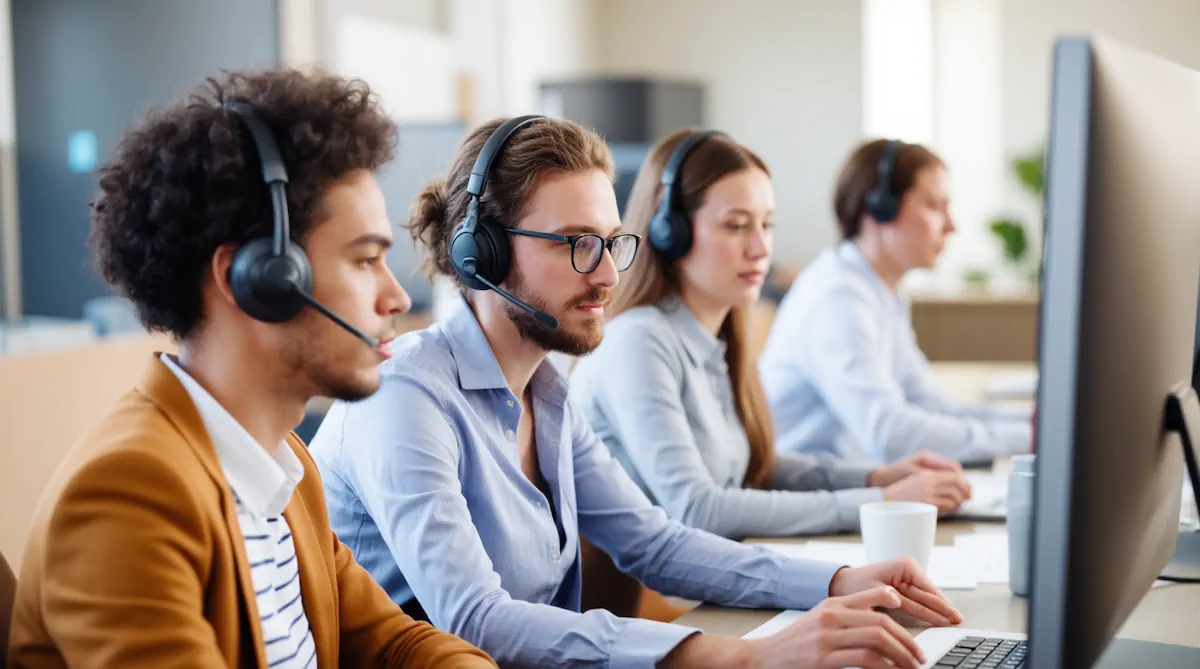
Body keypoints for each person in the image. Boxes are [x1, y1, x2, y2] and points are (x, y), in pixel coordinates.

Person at [309, 115, 962, 669]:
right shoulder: (405, 396)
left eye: (611, 242)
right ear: (482, 252)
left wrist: (837, 581)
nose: (604, 274)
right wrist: (750, 654)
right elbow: (477, 620)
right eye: (573, 244)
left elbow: (656, 542)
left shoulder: (548, 391)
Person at [7, 69, 495, 669]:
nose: (396, 297)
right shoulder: (129, 494)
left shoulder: (284, 467)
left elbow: (397, 643)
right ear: (260, 280)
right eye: (365, 259)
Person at [569, 128, 972, 544]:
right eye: (736, 226)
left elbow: (752, 468)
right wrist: (878, 500)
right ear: (670, 232)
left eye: (766, 224)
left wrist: (875, 476)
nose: (761, 248)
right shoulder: (640, 340)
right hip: (668, 603)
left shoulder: (720, 334)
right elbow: (699, 508)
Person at [759, 138, 1034, 464]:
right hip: (813, 494)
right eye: (934, 206)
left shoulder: (880, 291)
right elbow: (889, 434)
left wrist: (1035, 424)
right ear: (878, 208)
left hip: (855, 487)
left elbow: (928, 404)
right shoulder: (838, 298)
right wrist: (1029, 438)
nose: (951, 226)